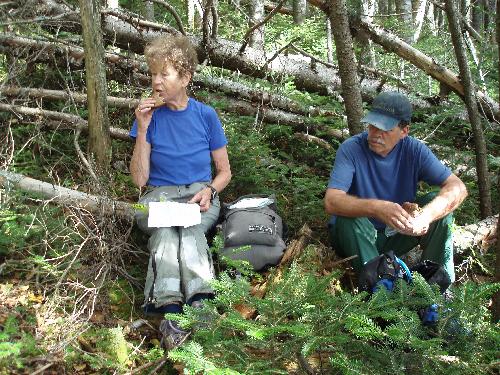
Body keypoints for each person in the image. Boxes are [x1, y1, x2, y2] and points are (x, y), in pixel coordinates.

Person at [129, 35, 231, 349]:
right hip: (157, 196)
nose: (156, 82)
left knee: (186, 230)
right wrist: (143, 129)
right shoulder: (149, 117)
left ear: (185, 78)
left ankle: (200, 309)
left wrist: (210, 191)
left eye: (164, 74)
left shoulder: (205, 115)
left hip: (199, 194)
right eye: (153, 74)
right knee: (165, 231)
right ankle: (172, 315)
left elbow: (225, 171)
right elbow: (139, 180)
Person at [324, 91, 467, 295]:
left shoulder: (414, 151)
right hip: (355, 237)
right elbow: (332, 201)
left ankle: (437, 289)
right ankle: (382, 297)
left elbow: (458, 188)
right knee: (351, 220)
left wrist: (425, 215)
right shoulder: (352, 149)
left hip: (394, 233)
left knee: (439, 209)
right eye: (373, 125)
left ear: (404, 131)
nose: (375, 133)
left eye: (385, 129)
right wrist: (377, 208)